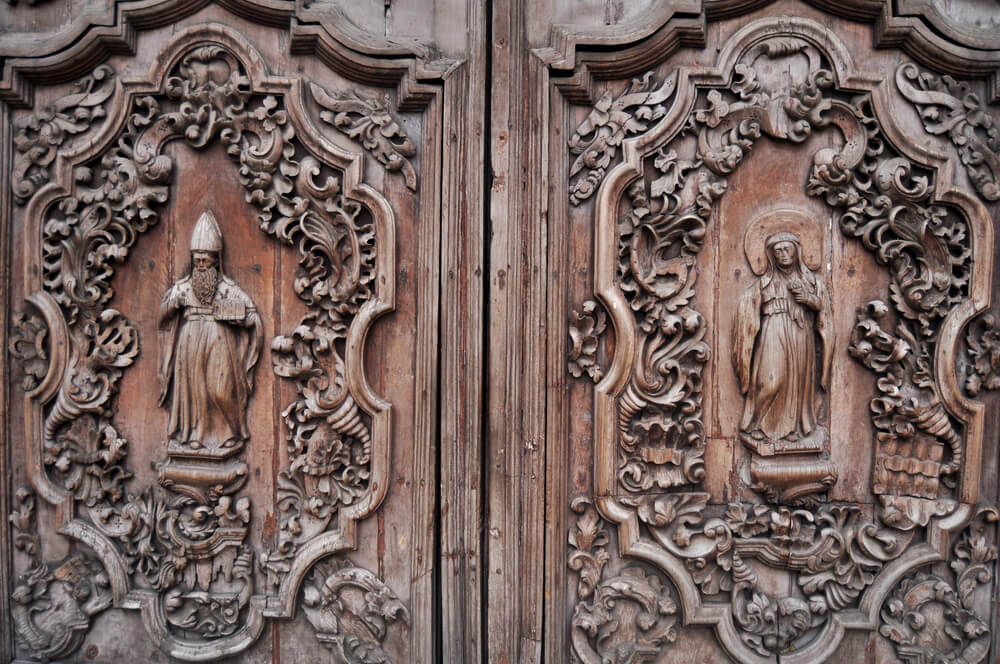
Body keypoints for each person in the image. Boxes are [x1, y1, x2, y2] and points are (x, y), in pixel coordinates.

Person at [157, 211, 263, 452]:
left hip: (219, 341)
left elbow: (253, 316)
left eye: (207, 261)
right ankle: (196, 434)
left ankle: (229, 433)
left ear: (217, 261)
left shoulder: (228, 289)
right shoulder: (183, 287)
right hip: (190, 341)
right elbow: (162, 318)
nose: (202, 267)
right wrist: (174, 304)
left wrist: (241, 320)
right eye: (198, 261)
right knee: (196, 391)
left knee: (220, 389)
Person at [732, 232, 832, 444]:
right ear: (770, 255)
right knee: (771, 380)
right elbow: (748, 311)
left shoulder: (811, 282)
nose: (783, 255)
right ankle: (756, 423)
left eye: (787, 250)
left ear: (797, 252)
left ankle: (791, 427)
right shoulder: (764, 283)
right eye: (777, 252)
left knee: (795, 381)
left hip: (800, 334)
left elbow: (823, 309)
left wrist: (808, 299)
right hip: (773, 332)